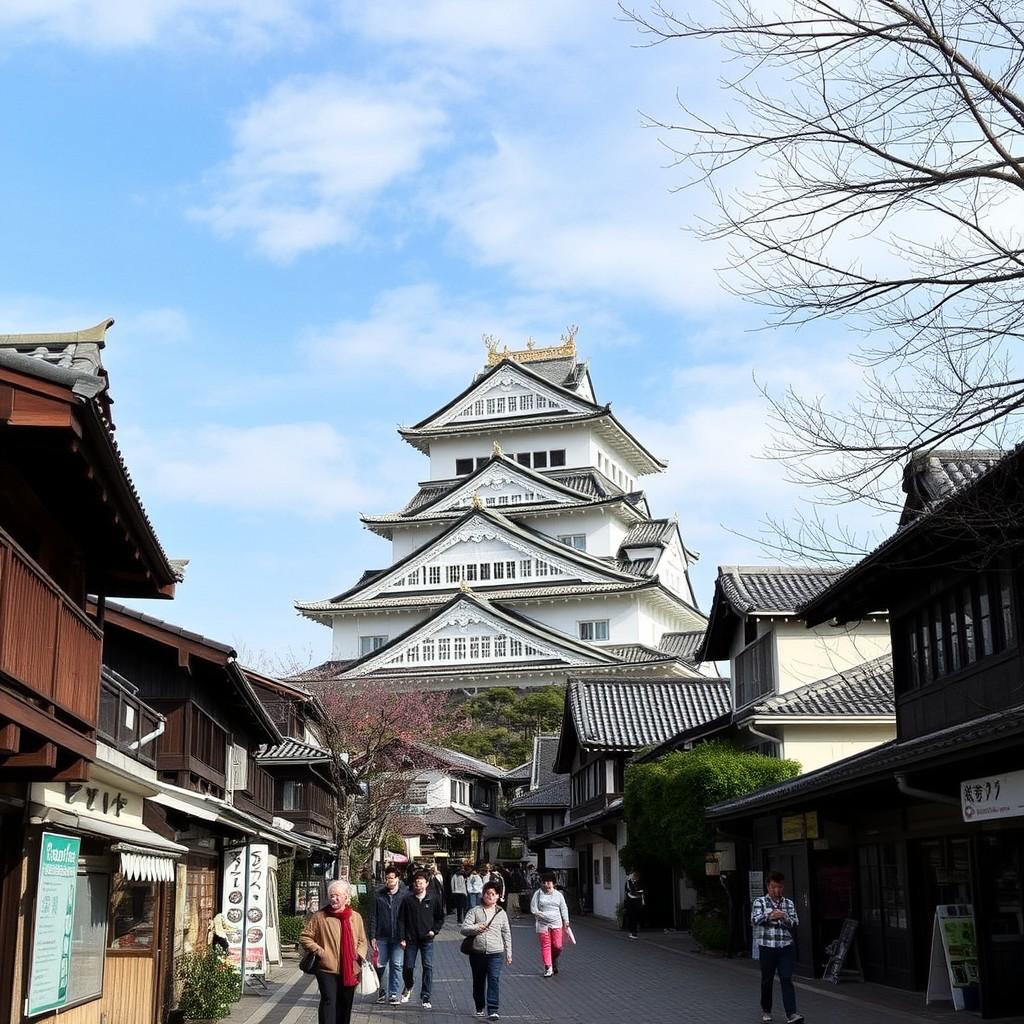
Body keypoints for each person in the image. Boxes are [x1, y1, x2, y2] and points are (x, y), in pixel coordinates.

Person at [299, 880, 369, 1024]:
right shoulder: (320, 916)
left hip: (350, 967)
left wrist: (359, 954)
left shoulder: (355, 917)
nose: (334, 899)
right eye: (331, 895)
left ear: (346, 897)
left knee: (345, 1004)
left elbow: (363, 940)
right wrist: (318, 950)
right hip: (326, 968)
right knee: (329, 1001)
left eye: (337, 896)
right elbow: (305, 937)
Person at [751, 872, 803, 1024]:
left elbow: (795, 922)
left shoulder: (788, 903)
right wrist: (770, 917)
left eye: (779, 887)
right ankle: (766, 1010)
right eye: (774, 887)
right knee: (767, 980)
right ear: (768, 886)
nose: (776, 890)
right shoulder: (759, 902)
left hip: (785, 946)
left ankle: (791, 1013)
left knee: (787, 978)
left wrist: (784, 917)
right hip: (767, 946)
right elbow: (755, 919)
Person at [461, 881, 512, 1020]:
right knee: (479, 981)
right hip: (477, 953)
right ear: (483, 895)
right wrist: (477, 927)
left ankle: (493, 1009)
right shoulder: (474, 911)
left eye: (493, 894)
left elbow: (506, 932)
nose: (490, 896)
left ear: (497, 897)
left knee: (494, 979)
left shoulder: (501, 913)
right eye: (487, 893)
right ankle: (479, 1006)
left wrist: (509, 952)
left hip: (496, 952)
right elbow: (464, 929)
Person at [399, 868, 444, 1009]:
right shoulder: (407, 899)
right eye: (416, 882)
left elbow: (440, 917)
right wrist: (402, 938)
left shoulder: (433, 898)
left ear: (426, 883)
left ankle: (425, 996)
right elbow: (401, 920)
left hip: (427, 939)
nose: (418, 885)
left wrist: (434, 931)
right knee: (408, 966)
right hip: (410, 939)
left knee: (428, 966)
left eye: (421, 882)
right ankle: (409, 985)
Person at [366, 864, 407, 1004]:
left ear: (397, 879)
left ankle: (394, 993)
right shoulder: (379, 895)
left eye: (391, 878)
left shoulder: (404, 895)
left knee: (396, 964)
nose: (389, 881)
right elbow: (373, 916)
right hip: (381, 936)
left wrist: (406, 937)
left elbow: (409, 918)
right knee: (379, 965)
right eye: (387, 878)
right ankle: (381, 991)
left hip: (398, 937)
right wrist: (372, 936)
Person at [530, 872, 570, 977]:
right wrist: (539, 914)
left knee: (558, 946)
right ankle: (548, 967)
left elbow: (563, 907)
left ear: (553, 883)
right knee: (546, 945)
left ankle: (553, 959)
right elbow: (533, 908)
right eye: (545, 882)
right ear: (542, 883)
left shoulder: (558, 895)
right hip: (542, 924)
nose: (547, 884)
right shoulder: (538, 894)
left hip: (556, 923)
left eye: (550, 882)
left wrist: (566, 920)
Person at [623, 871, 644, 939]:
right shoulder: (628, 883)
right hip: (630, 903)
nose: (635, 878)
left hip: (637, 902)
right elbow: (628, 892)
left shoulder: (639, 883)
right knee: (631, 917)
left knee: (636, 917)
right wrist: (635, 892)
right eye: (634, 876)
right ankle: (631, 932)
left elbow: (641, 891)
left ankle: (634, 932)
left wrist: (635, 892)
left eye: (636, 877)